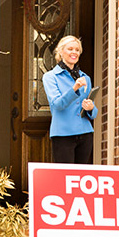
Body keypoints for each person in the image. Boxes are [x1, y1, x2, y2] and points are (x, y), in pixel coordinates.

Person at [42, 35, 98, 164]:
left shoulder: (86, 78)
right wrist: (74, 88)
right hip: (63, 134)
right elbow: (57, 105)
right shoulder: (50, 77)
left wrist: (91, 108)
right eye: (70, 49)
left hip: (85, 133)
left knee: (81, 177)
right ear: (61, 52)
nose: (74, 52)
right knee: (65, 177)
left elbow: (93, 111)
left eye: (77, 50)